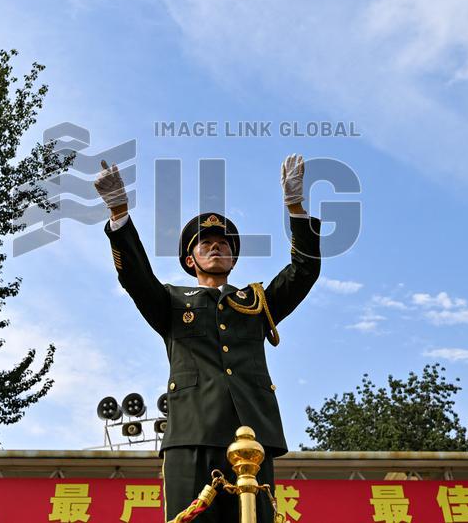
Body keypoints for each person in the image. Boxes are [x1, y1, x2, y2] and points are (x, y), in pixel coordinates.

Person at [94, 154, 321, 522]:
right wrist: (119, 212)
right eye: (206, 244)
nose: (216, 247)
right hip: (191, 435)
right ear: (190, 260)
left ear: (234, 258)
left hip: (252, 435)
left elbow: (305, 269)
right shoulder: (170, 302)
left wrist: (295, 207)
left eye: (224, 243)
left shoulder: (255, 301)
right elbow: (135, 277)